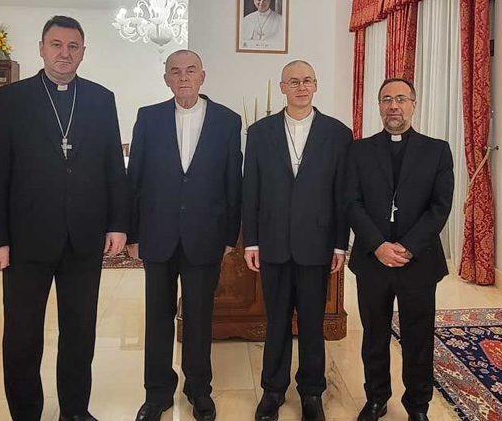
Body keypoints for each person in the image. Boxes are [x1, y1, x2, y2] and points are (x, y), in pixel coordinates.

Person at [0, 16, 129, 421]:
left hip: (84, 239)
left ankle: (75, 411)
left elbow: (113, 165)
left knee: (80, 332)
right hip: (26, 241)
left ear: (83, 52)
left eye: (73, 46)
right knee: (22, 336)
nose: (65, 53)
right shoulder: (11, 100)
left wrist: (117, 223)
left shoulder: (101, 99)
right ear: (41, 48)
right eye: (56, 45)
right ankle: (26, 413)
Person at [126, 49, 243, 421]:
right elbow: (134, 179)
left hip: (205, 236)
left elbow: (233, 181)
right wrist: (132, 234)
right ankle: (157, 393)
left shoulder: (227, 120)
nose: (183, 77)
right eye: (175, 72)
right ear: (166, 79)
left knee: (199, 318)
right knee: (157, 318)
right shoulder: (148, 118)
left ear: (202, 76)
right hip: (157, 235)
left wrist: (230, 235)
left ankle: (198, 390)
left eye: (190, 70)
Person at [243, 60, 353, 421]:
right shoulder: (259, 132)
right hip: (272, 242)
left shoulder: (338, 133)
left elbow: (343, 194)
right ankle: (273, 390)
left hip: (317, 244)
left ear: (316, 85)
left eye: (307, 81)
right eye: (293, 81)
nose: (301, 87)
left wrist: (340, 244)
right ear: (282, 88)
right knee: (276, 321)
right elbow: (251, 189)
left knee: (311, 322)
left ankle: (311, 393)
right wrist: (251, 242)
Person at [344, 78, 454, 421]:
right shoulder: (358, 150)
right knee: (374, 336)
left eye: (401, 99)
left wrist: (407, 247)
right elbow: (351, 203)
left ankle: (417, 406)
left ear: (413, 105)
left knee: (418, 338)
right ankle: (376, 399)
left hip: (418, 261)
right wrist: (377, 245)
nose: (394, 105)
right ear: (379, 106)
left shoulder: (437, 150)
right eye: (387, 99)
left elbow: (440, 206)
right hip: (372, 260)